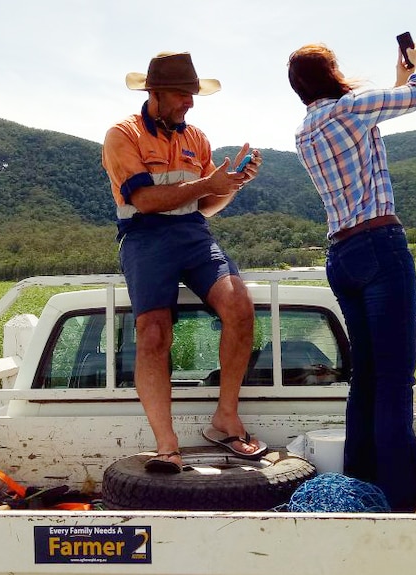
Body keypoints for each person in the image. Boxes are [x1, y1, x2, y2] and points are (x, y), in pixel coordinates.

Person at [102, 51, 267, 473]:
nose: (190, 103)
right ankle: (167, 446)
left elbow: (208, 203)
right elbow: (144, 199)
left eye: (193, 95)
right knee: (153, 333)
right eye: (182, 94)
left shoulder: (197, 139)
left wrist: (235, 184)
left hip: (194, 233)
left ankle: (226, 421)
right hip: (144, 235)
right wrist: (208, 182)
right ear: (156, 92)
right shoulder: (123, 134)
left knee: (239, 307)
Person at [286, 41, 416, 511]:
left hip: (341, 254)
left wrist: (397, 75)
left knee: (367, 377)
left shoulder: (306, 129)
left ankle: (362, 489)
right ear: (331, 72)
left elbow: (378, 107)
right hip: (379, 244)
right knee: (394, 379)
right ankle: (398, 499)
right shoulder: (351, 107)